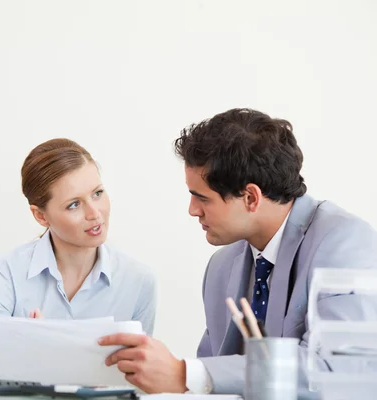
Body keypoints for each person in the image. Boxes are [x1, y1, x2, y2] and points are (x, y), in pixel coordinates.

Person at [98, 108, 377, 395]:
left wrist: (185, 372)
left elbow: (334, 369)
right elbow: (211, 382)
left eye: (201, 198)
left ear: (251, 197)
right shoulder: (221, 267)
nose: (192, 210)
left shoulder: (344, 243)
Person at [0, 138, 157, 377]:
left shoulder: (138, 281)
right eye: (74, 205)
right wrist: (34, 352)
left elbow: (138, 380)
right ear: (41, 216)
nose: (95, 213)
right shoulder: (5, 274)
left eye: (97, 193)